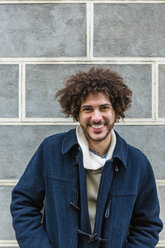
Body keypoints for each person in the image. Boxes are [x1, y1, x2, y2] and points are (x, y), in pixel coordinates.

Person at [10, 67, 163, 248]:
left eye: (104, 108)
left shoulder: (137, 163)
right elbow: (23, 204)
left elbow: (147, 226)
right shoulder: (50, 151)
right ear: (77, 113)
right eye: (88, 109)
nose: (96, 117)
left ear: (116, 111)